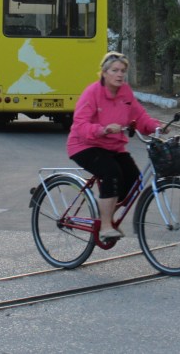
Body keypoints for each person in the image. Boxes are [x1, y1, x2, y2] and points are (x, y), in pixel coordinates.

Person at [67, 51, 161, 240]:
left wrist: (157, 127)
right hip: (84, 145)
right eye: (115, 70)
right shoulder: (92, 92)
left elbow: (140, 116)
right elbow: (80, 124)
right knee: (112, 172)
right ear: (104, 73)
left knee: (135, 180)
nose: (120, 74)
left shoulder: (125, 92)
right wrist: (103, 130)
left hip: (113, 147)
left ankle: (104, 214)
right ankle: (105, 226)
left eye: (123, 71)